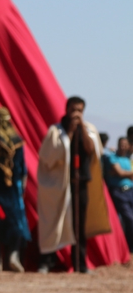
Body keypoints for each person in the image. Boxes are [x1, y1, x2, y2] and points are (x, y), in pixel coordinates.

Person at [37, 96, 104, 273]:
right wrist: (70, 134)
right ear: (66, 110)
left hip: (80, 182)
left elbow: (93, 152)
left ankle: (80, 263)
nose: (76, 114)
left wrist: (80, 128)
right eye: (73, 110)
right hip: (59, 185)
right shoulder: (56, 131)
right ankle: (47, 261)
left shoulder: (88, 130)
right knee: (54, 222)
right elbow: (49, 158)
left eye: (80, 111)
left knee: (79, 225)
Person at [0, 107, 30, 272]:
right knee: (15, 222)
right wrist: (21, 188)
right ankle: (13, 257)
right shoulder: (18, 142)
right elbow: (23, 169)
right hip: (14, 190)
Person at [101, 136, 133, 251]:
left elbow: (123, 173)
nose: (122, 146)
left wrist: (125, 173)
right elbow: (119, 172)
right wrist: (127, 174)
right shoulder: (112, 158)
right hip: (118, 192)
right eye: (121, 144)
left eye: (125, 144)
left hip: (130, 191)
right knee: (129, 218)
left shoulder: (127, 160)